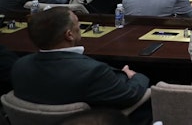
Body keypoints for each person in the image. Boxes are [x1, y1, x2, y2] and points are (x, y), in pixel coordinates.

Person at [11, 8, 150, 122]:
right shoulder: (92, 71)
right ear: (69, 35)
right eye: (77, 23)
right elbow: (129, 95)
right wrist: (136, 76)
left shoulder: (19, 66)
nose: (80, 26)